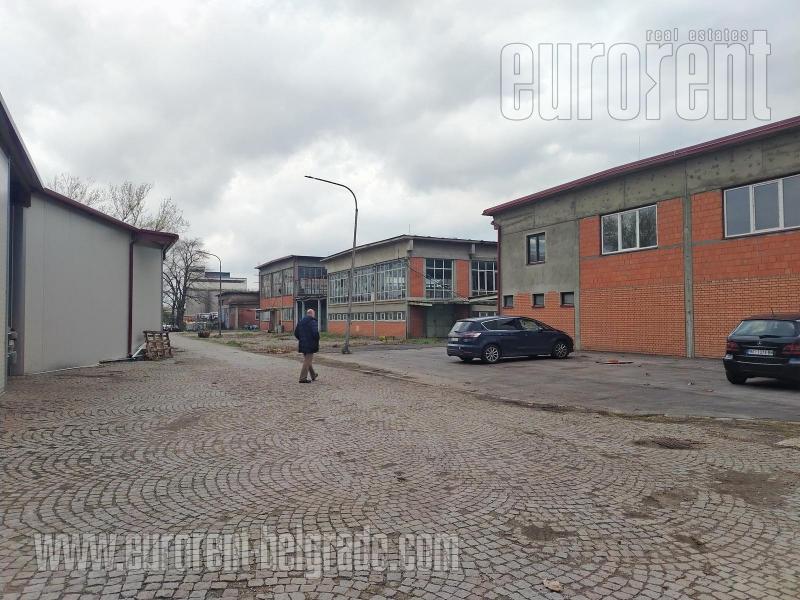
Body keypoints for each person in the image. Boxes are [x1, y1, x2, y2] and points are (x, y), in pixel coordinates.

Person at [294, 308, 320, 383]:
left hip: (303, 344)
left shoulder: (301, 321)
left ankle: (313, 375)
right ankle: (302, 378)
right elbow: (315, 333)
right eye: (314, 314)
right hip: (310, 344)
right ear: (312, 314)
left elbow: (296, 333)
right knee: (307, 361)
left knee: (307, 360)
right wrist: (317, 339)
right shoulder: (312, 321)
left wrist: (301, 339)